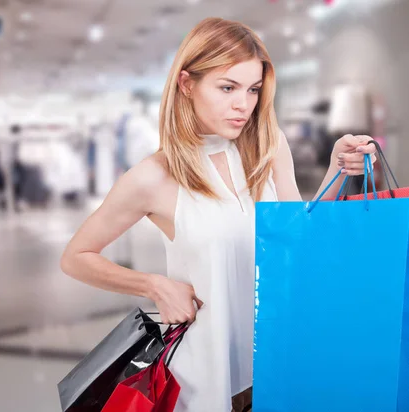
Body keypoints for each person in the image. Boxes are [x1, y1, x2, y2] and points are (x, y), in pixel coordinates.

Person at [60, 17, 376, 412]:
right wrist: (154, 285)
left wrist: (335, 171)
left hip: (276, 361)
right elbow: (76, 257)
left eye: (253, 89)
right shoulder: (153, 177)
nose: (243, 104)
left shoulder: (268, 145)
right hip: (204, 377)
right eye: (227, 87)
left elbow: (299, 237)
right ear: (187, 84)